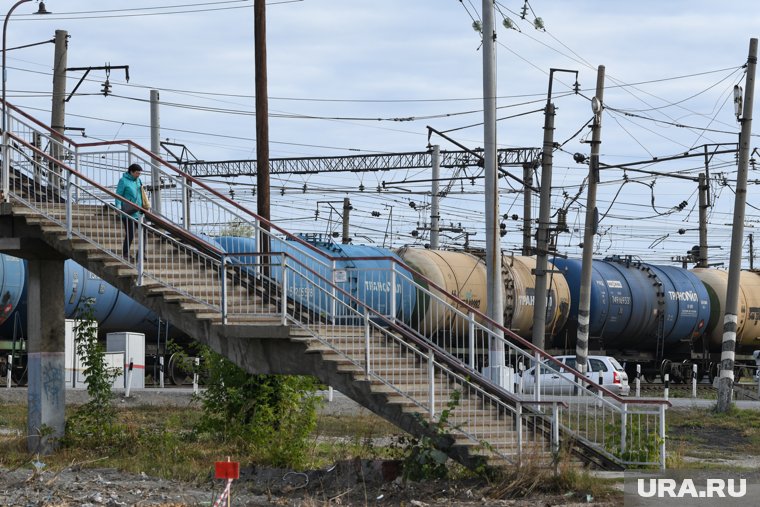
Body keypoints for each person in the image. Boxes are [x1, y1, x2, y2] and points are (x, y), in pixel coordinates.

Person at [115, 163, 146, 261]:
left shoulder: (139, 181)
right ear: (131, 172)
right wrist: (118, 207)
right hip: (128, 212)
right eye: (137, 173)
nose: (138, 175)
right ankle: (125, 253)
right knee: (131, 233)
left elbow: (141, 195)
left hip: (140, 211)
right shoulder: (123, 181)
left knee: (143, 233)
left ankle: (140, 254)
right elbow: (118, 195)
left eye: (139, 173)